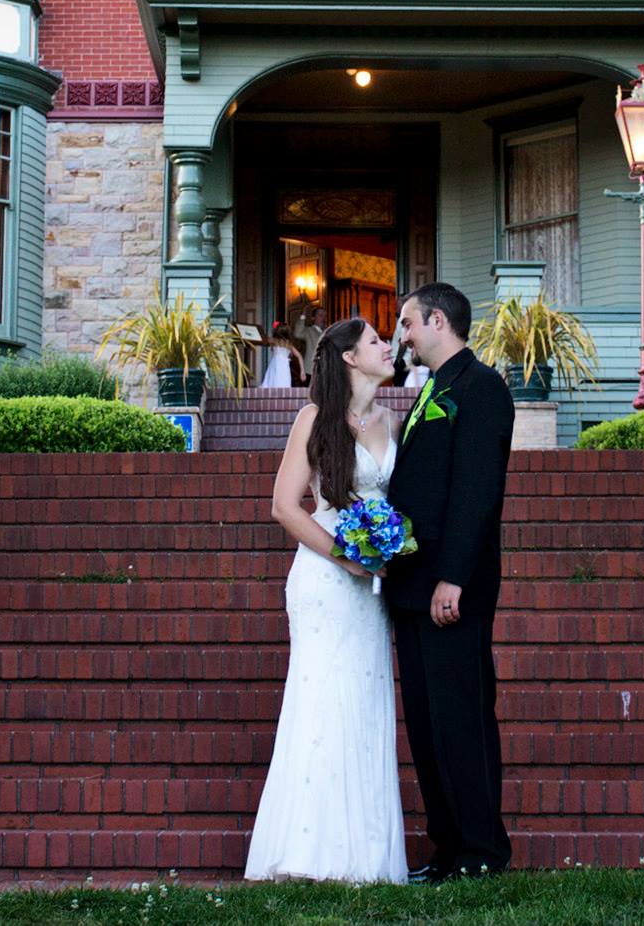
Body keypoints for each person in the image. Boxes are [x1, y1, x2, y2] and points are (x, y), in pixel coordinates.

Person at [244, 318, 407, 884]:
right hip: (324, 579)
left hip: (372, 588)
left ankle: (362, 857)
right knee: (321, 700)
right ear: (347, 358)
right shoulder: (314, 418)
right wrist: (346, 555)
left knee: (363, 700)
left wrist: (390, 548)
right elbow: (285, 506)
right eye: (376, 342)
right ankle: (305, 854)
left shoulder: (393, 422)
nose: (388, 347)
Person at [383, 282, 516, 881]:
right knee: (427, 722)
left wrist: (453, 578)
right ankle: (447, 848)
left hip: (449, 588)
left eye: (407, 323)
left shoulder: (481, 388)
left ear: (438, 320)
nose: (402, 336)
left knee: (462, 716)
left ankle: (483, 851)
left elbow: (475, 492)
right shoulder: (427, 390)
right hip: (410, 585)